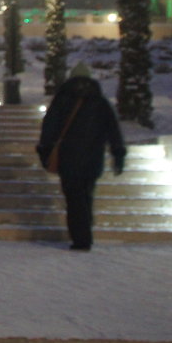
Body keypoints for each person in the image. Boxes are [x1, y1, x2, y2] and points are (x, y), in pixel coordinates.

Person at [36, 62, 125, 251]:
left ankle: (81, 239)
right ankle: (85, 232)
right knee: (86, 196)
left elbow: (49, 126)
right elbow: (113, 129)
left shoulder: (62, 99)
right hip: (93, 159)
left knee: (74, 199)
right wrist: (118, 153)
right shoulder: (100, 102)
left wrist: (44, 150)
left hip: (69, 159)